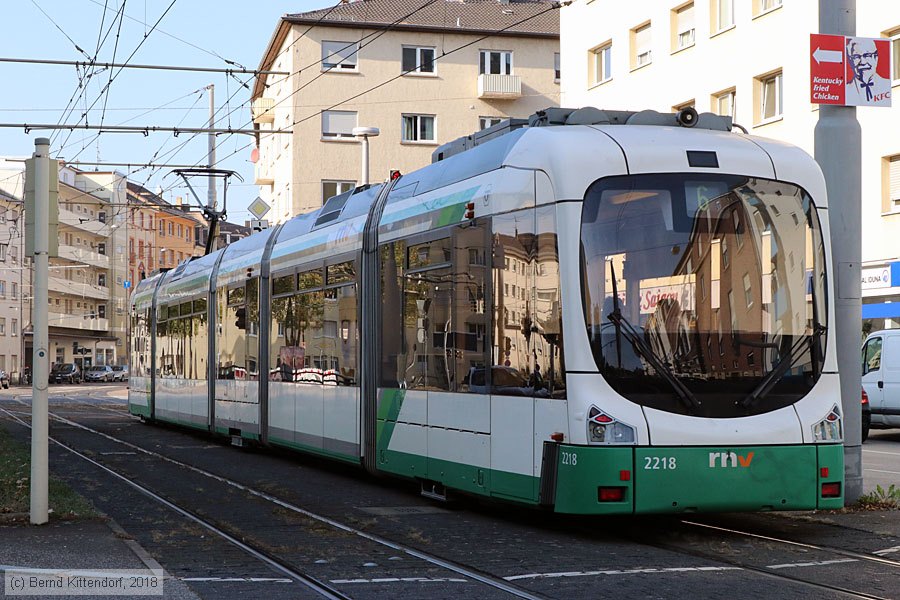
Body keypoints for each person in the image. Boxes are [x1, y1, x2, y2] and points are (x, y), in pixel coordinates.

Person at [845, 37, 891, 106]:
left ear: (876, 58)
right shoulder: (845, 91)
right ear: (850, 61)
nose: (863, 62)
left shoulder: (887, 86)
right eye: (856, 56)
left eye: (867, 55)